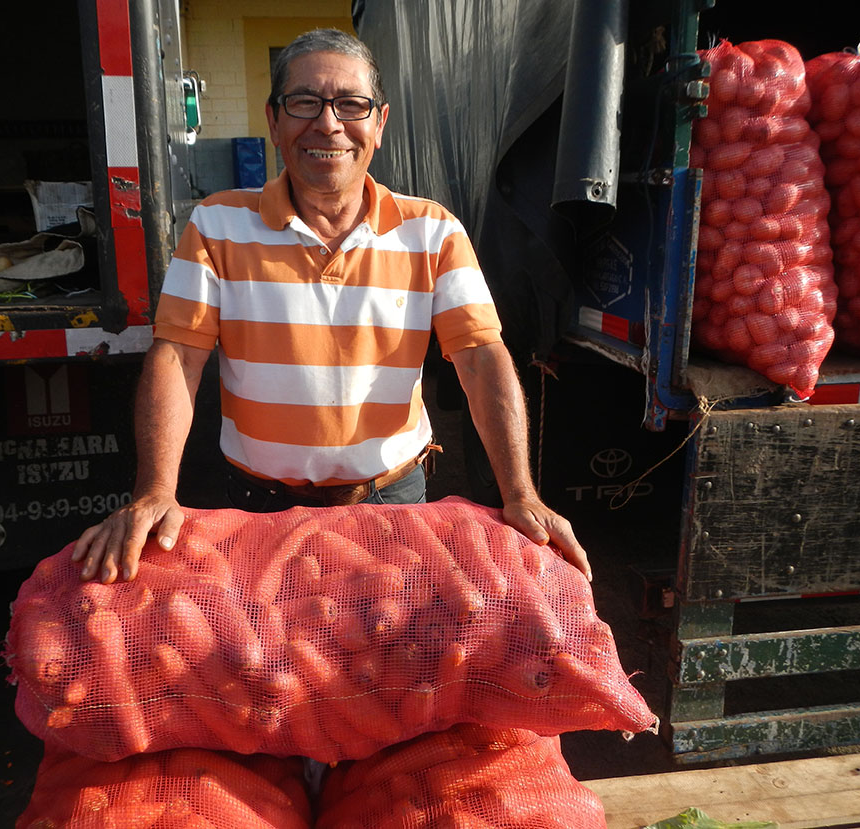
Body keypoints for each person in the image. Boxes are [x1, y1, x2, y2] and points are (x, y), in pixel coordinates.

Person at [71, 28, 590, 585]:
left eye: (351, 104)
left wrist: (520, 493)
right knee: (267, 657)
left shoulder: (432, 230)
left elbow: (481, 357)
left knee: (393, 654)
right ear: (274, 120)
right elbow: (178, 356)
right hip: (259, 508)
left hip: (391, 505)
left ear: (380, 124)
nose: (329, 124)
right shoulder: (217, 225)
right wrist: (154, 492)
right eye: (305, 102)